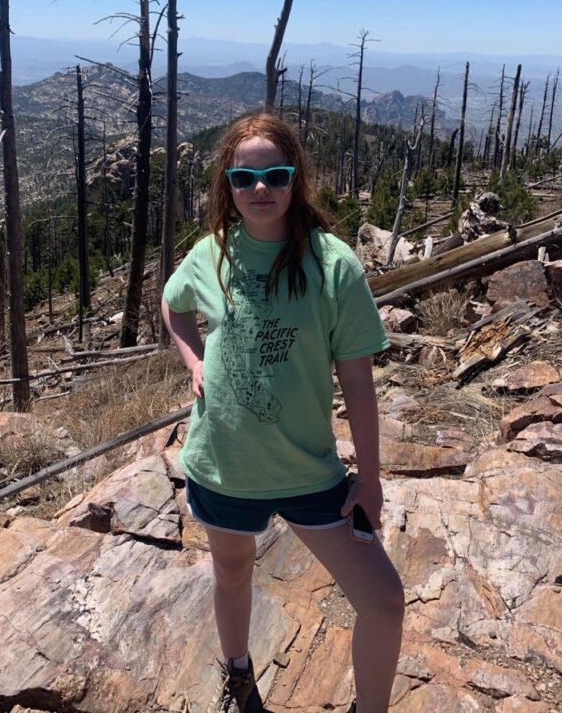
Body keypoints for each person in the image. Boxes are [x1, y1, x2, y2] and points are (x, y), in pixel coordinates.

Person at [162, 113, 404, 713]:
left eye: (275, 174)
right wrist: (193, 359)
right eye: (245, 178)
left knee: (383, 601)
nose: (260, 189)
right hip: (223, 463)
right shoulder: (209, 254)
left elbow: (358, 381)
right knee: (231, 573)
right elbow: (173, 305)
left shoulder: (333, 264)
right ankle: (240, 676)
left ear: (296, 180)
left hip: (310, 472)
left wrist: (369, 479)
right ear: (228, 184)